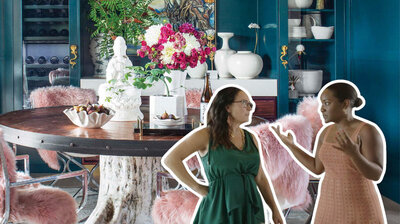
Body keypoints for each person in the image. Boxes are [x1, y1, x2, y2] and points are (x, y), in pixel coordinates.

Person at [162, 85, 285, 224]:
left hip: (249, 207)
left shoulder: (251, 138)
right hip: (219, 207)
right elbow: (171, 160)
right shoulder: (207, 135)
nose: (250, 108)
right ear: (227, 107)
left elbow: (261, 178)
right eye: (245, 103)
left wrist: (274, 209)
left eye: (251, 104)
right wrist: (198, 187)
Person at [270, 80, 387, 223]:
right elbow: (316, 168)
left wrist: (354, 154)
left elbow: (376, 174)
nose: (321, 109)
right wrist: (291, 146)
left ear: (345, 104)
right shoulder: (326, 132)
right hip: (328, 203)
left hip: (358, 204)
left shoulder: (367, 131)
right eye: (321, 104)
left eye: (327, 103)